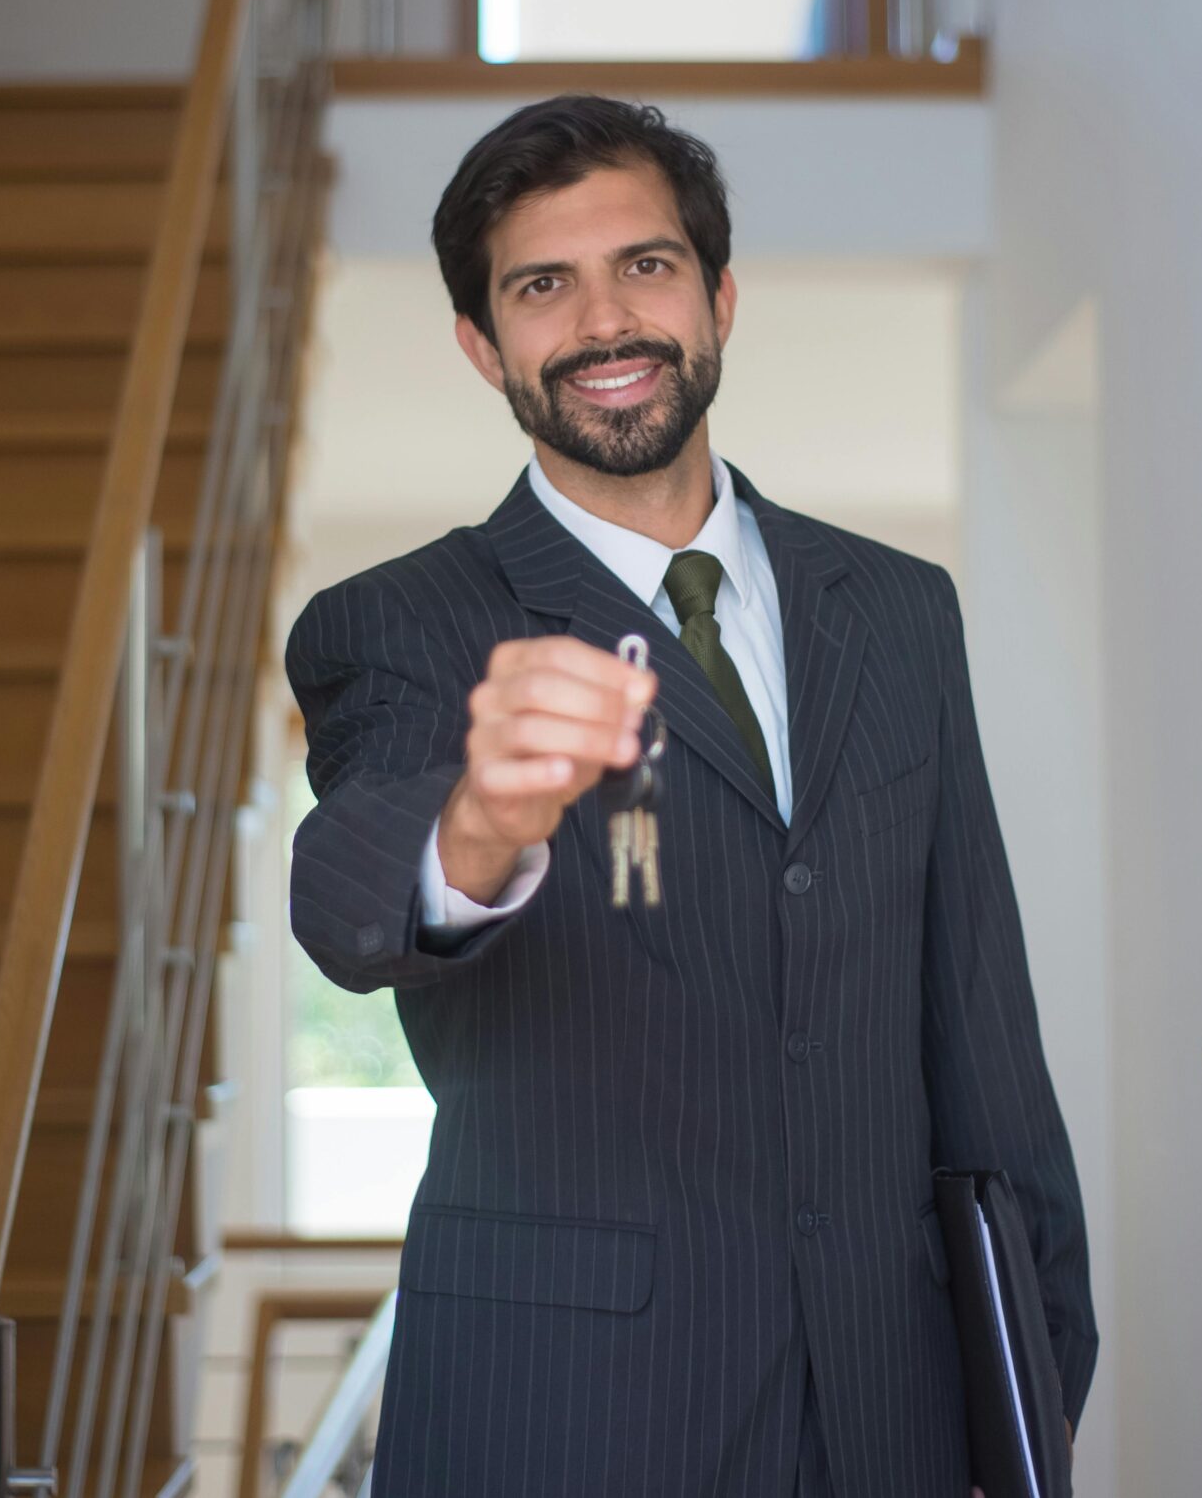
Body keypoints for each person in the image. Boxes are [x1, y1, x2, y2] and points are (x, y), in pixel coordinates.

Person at [285, 95, 1095, 1498]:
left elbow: (979, 1022)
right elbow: (349, 892)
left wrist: (1031, 1373)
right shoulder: (400, 622)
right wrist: (476, 823)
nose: (605, 321)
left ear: (719, 296)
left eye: (645, 266)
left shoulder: (901, 612)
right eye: (543, 286)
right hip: (568, 1422)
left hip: (891, 1410)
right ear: (484, 344)